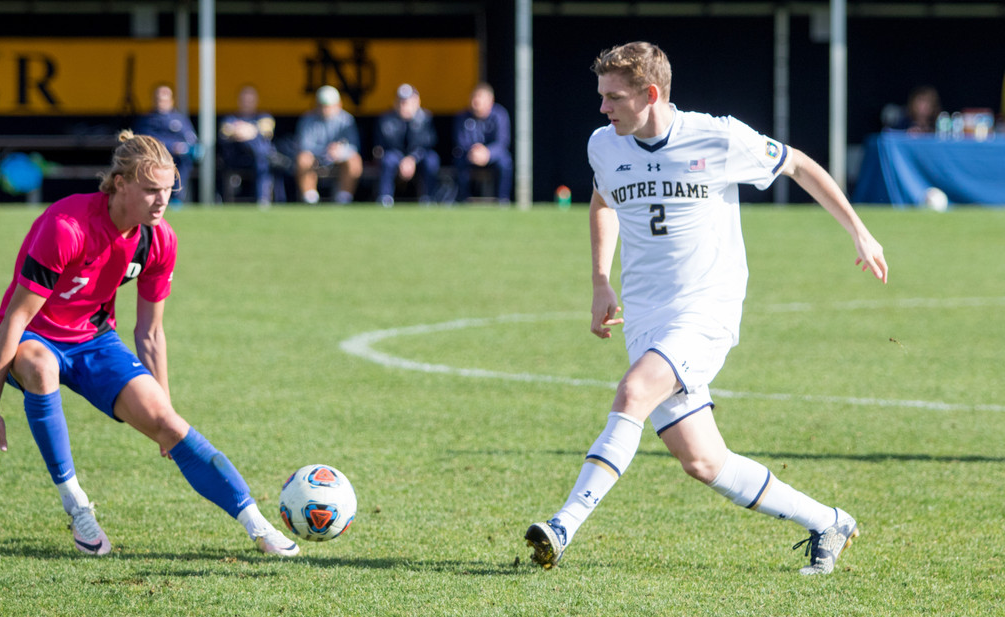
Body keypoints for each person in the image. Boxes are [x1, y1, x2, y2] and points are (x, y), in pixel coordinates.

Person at [524, 42, 888, 576]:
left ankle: (563, 525)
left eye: (613, 97)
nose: (602, 107)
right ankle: (829, 521)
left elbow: (798, 165)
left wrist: (859, 232)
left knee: (633, 392)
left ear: (650, 94)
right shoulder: (604, 144)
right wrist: (601, 281)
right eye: (602, 96)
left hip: (706, 309)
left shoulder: (717, 137)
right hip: (645, 317)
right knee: (702, 460)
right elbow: (603, 202)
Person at [0, 131, 299, 558]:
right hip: (33, 337)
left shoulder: (159, 239)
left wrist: (162, 409)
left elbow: (149, 331)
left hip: (94, 341)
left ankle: (257, 525)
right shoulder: (67, 227)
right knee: (41, 366)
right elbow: (16, 318)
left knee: (171, 424)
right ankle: (77, 505)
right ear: (120, 184)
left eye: (168, 189)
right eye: (151, 189)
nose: (161, 200)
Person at [295, 85, 363, 204]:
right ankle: (310, 197)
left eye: (329, 105)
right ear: (316, 105)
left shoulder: (347, 120)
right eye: (322, 105)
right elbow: (304, 146)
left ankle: (344, 197)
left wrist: (340, 151)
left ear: (339, 104)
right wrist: (326, 151)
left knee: (355, 160)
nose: (325, 109)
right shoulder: (307, 119)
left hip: (339, 159)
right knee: (303, 159)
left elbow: (354, 146)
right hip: (316, 158)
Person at [374, 83, 440, 207]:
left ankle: (429, 197)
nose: (404, 105)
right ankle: (385, 197)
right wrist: (403, 160)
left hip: (418, 157)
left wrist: (412, 159)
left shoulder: (425, 118)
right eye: (401, 101)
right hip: (396, 156)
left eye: (408, 102)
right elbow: (386, 145)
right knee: (388, 160)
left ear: (417, 102)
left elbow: (427, 144)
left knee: (431, 159)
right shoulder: (386, 120)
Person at [134, 84, 200, 204]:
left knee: (186, 159)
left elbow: (191, 137)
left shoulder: (179, 118)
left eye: (165, 98)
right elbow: (145, 139)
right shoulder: (147, 119)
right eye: (159, 99)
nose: (162, 102)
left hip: (179, 157)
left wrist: (187, 147)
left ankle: (177, 197)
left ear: (171, 100)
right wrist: (171, 147)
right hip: (156, 156)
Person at [218, 85, 280, 206]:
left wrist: (246, 130)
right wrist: (251, 131)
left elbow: (267, 130)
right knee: (262, 151)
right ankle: (263, 198)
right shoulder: (230, 117)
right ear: (239, 100)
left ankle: (263, 200)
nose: (247, 102)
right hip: (235, 157)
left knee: (261, 155)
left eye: (250, 99)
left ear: (256, 101)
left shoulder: (264, 116)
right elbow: (225, 132)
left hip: (257, 159)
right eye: (244, 99)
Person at [452, 82, 513, 203]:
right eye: (474, 98)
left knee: (505, 162)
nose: (476, 102)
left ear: (490, 100)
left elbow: (502, 142)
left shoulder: (500, 115)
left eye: (480, 98)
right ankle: (463, 199)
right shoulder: (462, 116)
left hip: (492, 156)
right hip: (470, 155)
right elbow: (460, 140)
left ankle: (503, 200)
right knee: (458, 159)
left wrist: (488, 153)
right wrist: (474, 151)